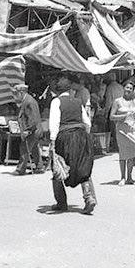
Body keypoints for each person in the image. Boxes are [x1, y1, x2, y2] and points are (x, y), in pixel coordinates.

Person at [49, 73, 96, 214]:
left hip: (65, 137)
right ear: (69, 90)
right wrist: (84, 137)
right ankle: (89, 197)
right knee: (83, 168)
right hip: (81, 136)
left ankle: (61, 203)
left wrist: (53, 142)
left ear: (57, 91)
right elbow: (87, 123)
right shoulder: (77, 102)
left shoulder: (56, 102)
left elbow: (54, 123)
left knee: (58, 167)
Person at [110, 78, 135, 185]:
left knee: (134, 150)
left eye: (131, 88)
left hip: (134, 129)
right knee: (123, 153)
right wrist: (124, 116)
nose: (129, 90)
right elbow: (111, 117)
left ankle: (130, 177)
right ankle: (122, 177)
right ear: (123, 88)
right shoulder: (117, 101)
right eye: (127, 87)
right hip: (122, 129)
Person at [12, 84, 44, 175]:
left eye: (16, 93)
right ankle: (39, 167)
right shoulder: (26, 100)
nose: (15, 95)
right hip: (34, 130)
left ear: (21, 93)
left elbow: (32, 119)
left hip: (33, 130)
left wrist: (28, 131)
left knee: (24, 148)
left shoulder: (29, 102)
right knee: (34, 148)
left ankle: (20, 169)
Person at [104, 71, 124, 152]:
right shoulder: (120, 86)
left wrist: (105, 112)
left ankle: (117, 146)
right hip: (122, 109)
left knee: (114, 129)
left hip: (114, 111)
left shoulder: (110, 88)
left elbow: (109, 102)